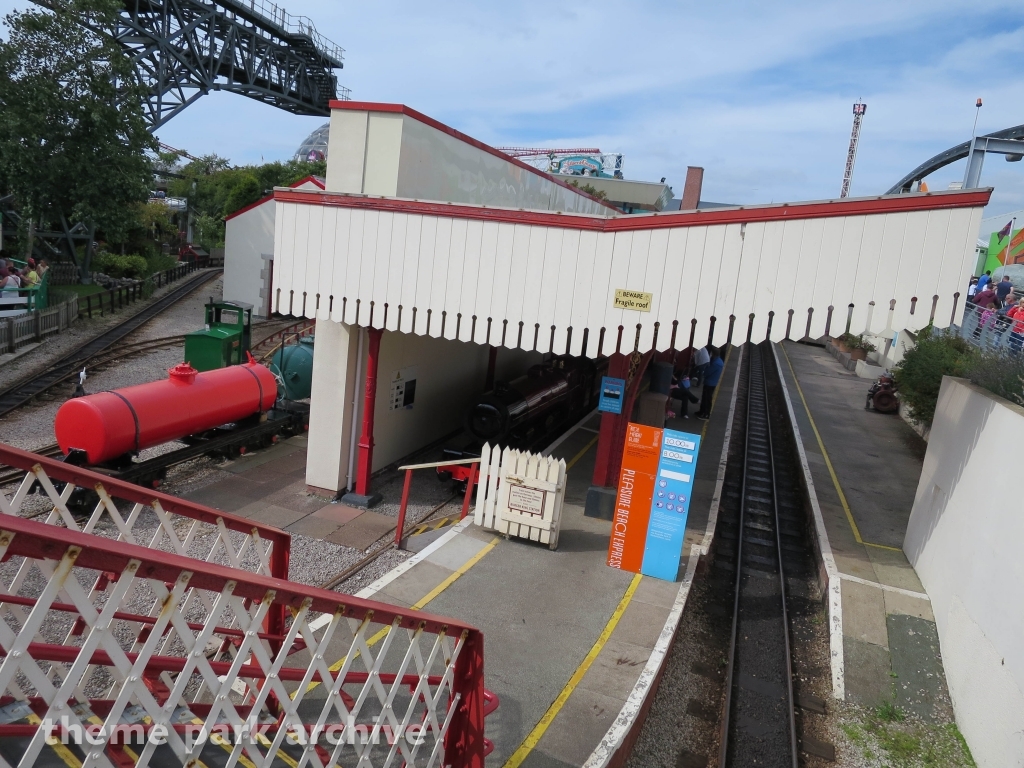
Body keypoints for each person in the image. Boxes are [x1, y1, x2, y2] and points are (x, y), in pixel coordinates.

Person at [696, 346, 725, 420]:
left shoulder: (716, 363)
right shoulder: (718, 361)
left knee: (707, 399)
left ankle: (706, 414)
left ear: (713, 354)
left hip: (710, 383)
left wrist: (704, 371)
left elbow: (707, 372)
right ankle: (702, 411)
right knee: (705, 398)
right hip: (711, 382)